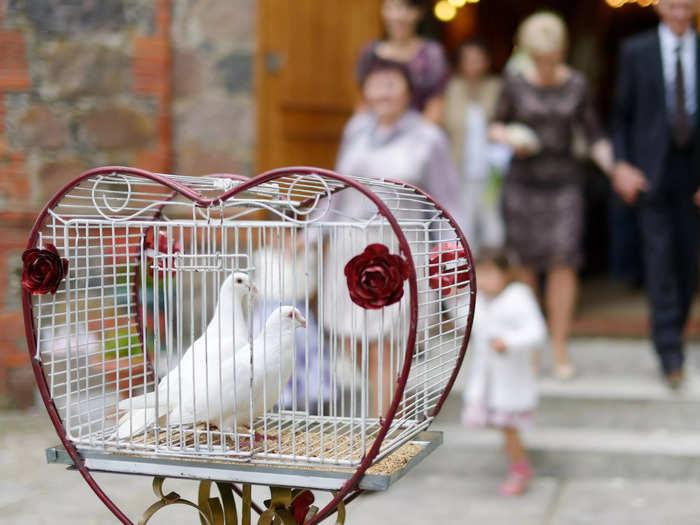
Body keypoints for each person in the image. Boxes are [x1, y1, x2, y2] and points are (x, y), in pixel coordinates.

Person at [329, 59, 463, 413]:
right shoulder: (355, 129)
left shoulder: (428, 137)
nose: (383, 91)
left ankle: (381, 433)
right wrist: (310, 232)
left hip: (398, 246)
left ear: (408, 90)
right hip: (348, 244)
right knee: (351, 339)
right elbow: (338, 188)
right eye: (376, 83)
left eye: (392, 83)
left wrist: (455, 251)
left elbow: (447, 200)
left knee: (384, 344)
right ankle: (392, 410)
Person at [490, 12, 614, 380]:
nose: (546, 65)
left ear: (562, 51)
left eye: (553, 57)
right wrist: (508, 137)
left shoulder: (577, 84)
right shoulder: (513, 83)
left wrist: (613, 167)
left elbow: (594, 136)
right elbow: (495, 124)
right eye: (539, 58)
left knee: (563, 263)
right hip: (523, 182)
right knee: (525, 264)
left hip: (564, 183)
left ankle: (560, 344)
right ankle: (532, 345)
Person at [610, 0, 700, 389]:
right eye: (673, 5)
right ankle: (669, 352)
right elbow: (621, 116)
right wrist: (622, 166)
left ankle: (675, 332)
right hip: (651, 172)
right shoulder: (636, 50)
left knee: (688, 263)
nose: (680, 12)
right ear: (660, 6)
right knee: (659, 261)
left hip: (694, 173)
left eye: (687, 5)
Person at [462, 249, 547, 497]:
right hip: (488, 378)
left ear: (505, 273)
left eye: (490, 274)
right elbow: (465, 321)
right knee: (504, 427)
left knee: (509, 427)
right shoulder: (480, 300)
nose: (484, 280)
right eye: (480, 275)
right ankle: (516, 462)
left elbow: (537, 331)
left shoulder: (518, 297)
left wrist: (508, 341)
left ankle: (520, 469)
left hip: (510, 379)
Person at [443, 38, 509, 256]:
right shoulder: (451, 89)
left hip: (492, 170)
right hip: (458, 169)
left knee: (493, 227)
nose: (474, 65)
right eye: (468, 60)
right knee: (461, 227)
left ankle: (492, 279)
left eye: (478, 59)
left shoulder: (497, 88)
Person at [356, 0, 450, 123]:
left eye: (405, 8)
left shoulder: (431, 54)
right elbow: (364, 101)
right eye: (391, 8)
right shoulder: (370, 53)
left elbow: (436, 103)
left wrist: (417, 138)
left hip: (419, 133)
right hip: (377, 133)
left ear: (419, 12)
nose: (398, 16)